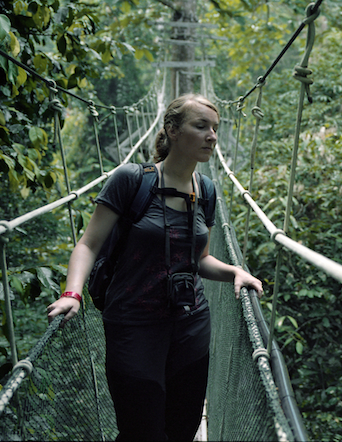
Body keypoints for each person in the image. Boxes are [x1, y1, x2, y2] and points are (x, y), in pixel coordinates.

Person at [46, 93, 262, 441]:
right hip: (133, 326)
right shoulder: (131, 180)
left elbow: (200, 259)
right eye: (201, 126)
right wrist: (72, 292)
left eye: (215, 128)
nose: (212, 136)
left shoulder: (205, 190)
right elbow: (88, 243)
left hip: (190, 325)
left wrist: (234, 272)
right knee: (140, 431)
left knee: (182, 430)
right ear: (173, 130)